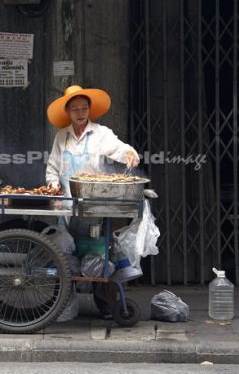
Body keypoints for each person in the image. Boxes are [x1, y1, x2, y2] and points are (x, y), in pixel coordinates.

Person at [45, 85, 140, 318]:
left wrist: (129, 153)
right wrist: (53, 184)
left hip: (94, 204)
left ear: (90, 110)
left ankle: (107, 306)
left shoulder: (101, 133)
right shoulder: (62, 136)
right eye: (75, 109)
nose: (80, 113)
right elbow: (53, 168)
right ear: (67, 111)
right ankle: (65, 305)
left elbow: (119, 148)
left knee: (100, 252)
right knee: (66, 254)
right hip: (68, 205)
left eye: (84, 108)